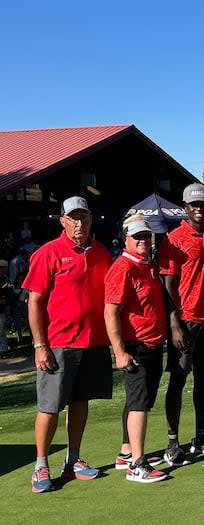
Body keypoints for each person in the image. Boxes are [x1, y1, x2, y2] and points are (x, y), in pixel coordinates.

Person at [24, 196, 112, 493]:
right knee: (49, 407)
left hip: (93, 341)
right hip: (59, 343)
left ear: (91, 219)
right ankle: (40, 465)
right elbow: (35, 302)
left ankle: (73, 460)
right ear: (62, 221)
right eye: (73, 218)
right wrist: (39, 345)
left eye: (83, 218)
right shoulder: (48, 253)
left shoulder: (101, 252)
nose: (79, 224)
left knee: (80, 402)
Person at [158, 183, 204, 466]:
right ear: (185, 209)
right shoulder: (173, 239)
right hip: (184, 320)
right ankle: (173, 443)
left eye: (203, 206)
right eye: (194, 206)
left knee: (203, 380)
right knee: (177, 379)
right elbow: (167, 285)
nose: (199, 210)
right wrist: (174, 324)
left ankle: (200, 436)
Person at [104, 216, 168, 483]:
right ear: (126, 240)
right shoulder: (123, 268)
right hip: (135, 346)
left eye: (146, 236)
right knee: (139, 404)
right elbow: (110, 313)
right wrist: (119, 351)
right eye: (137, 237)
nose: (143, 240)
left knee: (137, 401)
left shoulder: (147, 265)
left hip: (152, 344)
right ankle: (137, 466)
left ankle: (126, 452)